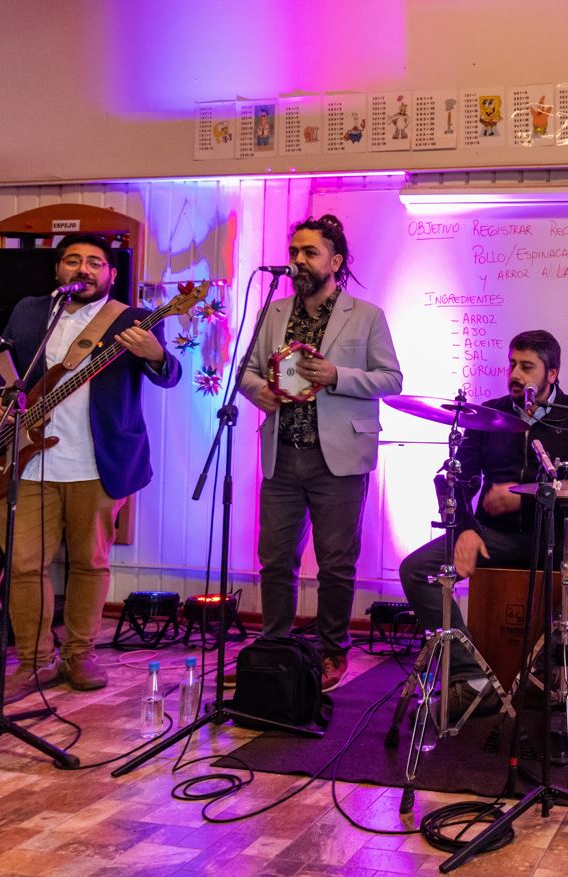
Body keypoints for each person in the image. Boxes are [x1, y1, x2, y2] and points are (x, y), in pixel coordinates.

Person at [0, 233, 182, 706]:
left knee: (89, 563)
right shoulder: (29, 312)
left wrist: (153, 354)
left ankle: (79, 654)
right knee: (23, 565)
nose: (84, 269)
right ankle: (34, 661)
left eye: (95, 262)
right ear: (58, 270)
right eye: (73, 260)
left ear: (111, 273)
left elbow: (169, 375)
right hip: (29, 460)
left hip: (97, 461)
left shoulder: (130, 319)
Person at [398, 330, 568, 716]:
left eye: (527, 367)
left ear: (552, 373)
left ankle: (547, 663)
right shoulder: (489, 414)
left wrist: (528, 492)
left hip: (559, 533)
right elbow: (455, 479)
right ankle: (470, 678)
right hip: (496, 535)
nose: (515, 374)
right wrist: (465, 529)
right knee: (416, 569)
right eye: (512, 364)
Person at [239, 215, 403, 691]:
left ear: (335, 261)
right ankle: (273, 649)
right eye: (294, 251)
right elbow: (247, 371)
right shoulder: (273, 311)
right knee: (275, 560)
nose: (298, 260)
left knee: (335, 563)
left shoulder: (366, 315)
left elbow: (392, 380)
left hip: (339, 459)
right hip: (282, 454)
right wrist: (258, 392)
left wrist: (337, 376)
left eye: (309, 252)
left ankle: (333, 651)